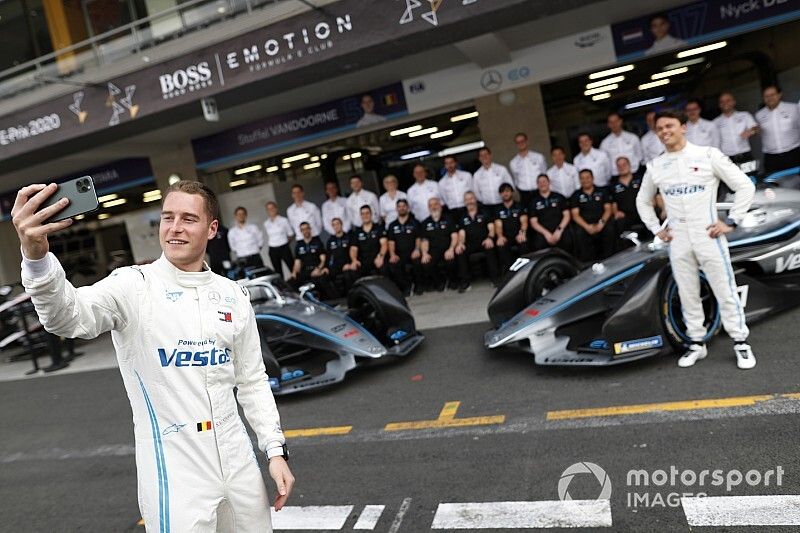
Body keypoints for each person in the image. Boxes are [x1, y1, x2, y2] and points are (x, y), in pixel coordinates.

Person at [14, 180, 294, 531]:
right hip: (175, 467)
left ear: (212, 229)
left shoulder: (233, 295)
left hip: (237, 457)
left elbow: (252, 380)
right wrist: (36, 257)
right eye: (168, 217)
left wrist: (275, 450)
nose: (175, 228)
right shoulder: (133, 285)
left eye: (188, 219)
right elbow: (66, 318)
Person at [636, 110, 756, 369]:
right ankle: (696, 343)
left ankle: (740, 342)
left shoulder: (707, 155)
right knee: (688, 293)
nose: (665, 131)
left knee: (724, 289)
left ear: (683, 127)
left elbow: (745, 185)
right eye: (660, 128)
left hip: (708, 235)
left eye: (669, 125)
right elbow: (642, 201)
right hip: (678, 239)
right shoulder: (656, 166)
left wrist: (731, 221)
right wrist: (656, 228)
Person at [570, 169, 616, 261]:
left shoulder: (602, 191)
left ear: (592, 178)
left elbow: (608, 209)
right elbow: (575, 215)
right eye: (582, 178)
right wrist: (587, 227)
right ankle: (588, 262)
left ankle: (610, 259)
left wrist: (601, 223)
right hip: (585, 224)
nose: (585, 180)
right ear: (579, 180)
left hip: (601, 221)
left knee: (610, 229)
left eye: (587, 178)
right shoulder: (576, 195)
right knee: (579, 233)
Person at [456, 191, 499, 289]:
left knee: (490, 247)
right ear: (464, 202)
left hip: (484, 240)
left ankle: (495, 279)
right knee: (460, 251)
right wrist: (460, 243)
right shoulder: (462, 216)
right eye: (467, 199)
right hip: (470, 243)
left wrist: (489, 238)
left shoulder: (484, 212)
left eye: (471, 198)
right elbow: (461, 233)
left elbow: (491, 228)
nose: (469, 201)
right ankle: (465, 283)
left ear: (475, 199)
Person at [755, 85, 800, 174]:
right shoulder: (759, 115)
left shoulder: (793, 108)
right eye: (766, 96)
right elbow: (758, 132)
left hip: (794, 153)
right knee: (775, 185)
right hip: (772, 158)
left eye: (772, 95)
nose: (769, 98)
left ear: (779, 95)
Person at [420, 197, 459, 292]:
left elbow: (454, 235)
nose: (433, 207)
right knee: (426, 263)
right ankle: (439, 282)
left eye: (435, 204)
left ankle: (453, 281)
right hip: (433, 250)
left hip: (447, 248)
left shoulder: (448, 219)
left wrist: (451, 249)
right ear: (428, 208)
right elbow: (424, 240)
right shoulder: (425, 223)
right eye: (431, 205)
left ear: (440, 206)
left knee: (451, 260)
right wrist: (424, 253)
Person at [387, 199, 422, 296]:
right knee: (394, 264)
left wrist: (417, 249)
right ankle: (407, 287)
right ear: (396, 209)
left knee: (417, 262)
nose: (401, 208)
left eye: (403, 206)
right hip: (399, 254)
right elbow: (391, 242)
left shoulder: (414, 222)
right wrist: (392, 254)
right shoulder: (392, 225)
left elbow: (418, 238)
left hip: (413, 252)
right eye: (399, 206)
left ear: (407, 208)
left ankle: (418, 285)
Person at [713, 91, 759, 166]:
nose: (725, 103)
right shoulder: (715, 122)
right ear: (719, 105)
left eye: (728, 100)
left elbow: (756, 129)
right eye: (722, 101)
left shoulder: (745, 115)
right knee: (730, 178)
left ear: (734, 102)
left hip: (746, 156)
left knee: (751, 177)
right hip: (727, 159)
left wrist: (751, 131)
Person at [529, 174, 572, 253]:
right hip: (543, 232)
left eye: (544, 181)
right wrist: (546, 234)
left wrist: (559, 230)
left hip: (560, 229)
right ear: (537, 185)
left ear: (549, 182)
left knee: (568, 241)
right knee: (538, 244)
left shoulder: (559, 197)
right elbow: (533, 222)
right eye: (540, 182)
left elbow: (567, 215)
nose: (542, 184)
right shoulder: (533, 201)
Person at [346, 205, 388, 285]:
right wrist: (354, 260)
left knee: (384, 268)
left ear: (371, 214)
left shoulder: (379, 228)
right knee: (353, 270)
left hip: (377, 258)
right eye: (363, 214)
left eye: (367, 213)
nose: (365, 216)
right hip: (363, 261)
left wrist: (381, 256)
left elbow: (384, 244)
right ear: (361, 216)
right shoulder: (357, 232)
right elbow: (353, 249)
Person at [290, 222, 334, 298]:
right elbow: (297, 263)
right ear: (301, 231)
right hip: (305, 271)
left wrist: (318, 269)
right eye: (303, 229)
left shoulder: (317, 242)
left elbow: (323, 260)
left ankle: (332, 301)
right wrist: (294, 272)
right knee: (291, 283)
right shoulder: (299, 246)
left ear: (310, 229)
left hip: (317, 269)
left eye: (307, 228)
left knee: (322, 280)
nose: (305, 231)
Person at [610, 157, 648, 242]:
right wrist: (616, 212)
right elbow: (613, 203)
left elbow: (649, 194)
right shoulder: (613, 185)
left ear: (630, 165)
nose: (622, 167)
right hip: (626, 216)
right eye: (619, 166)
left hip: (643, 211)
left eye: (624, 164)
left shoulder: (640, 179)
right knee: (617, 222)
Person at [494, 183, 529, 272]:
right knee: (501, 245)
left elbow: (524, 221)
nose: (505, 194)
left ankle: (525, 271)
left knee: (523, 242)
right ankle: (508, 273)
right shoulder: (498, 209)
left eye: (507, 191)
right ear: (500, 194)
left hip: (518, 234)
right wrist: (500, 236)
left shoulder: (519, 206)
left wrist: (522, 233)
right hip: (506, 236)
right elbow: (498, 225)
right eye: (502, 192)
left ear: (512, 192)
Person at [509, 132, 547, 207]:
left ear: (527, 141)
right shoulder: (513, 162)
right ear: (516, 144)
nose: (521, 143)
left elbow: (544, 173)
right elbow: (516, 179)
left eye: (522, 141)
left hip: (539, 191)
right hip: (524, 194)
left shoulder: (539, 157)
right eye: (518, 142)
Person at [601, 112, 644, 177]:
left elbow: (640, 156)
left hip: (634, 173)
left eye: (616, 121)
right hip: (616, 176)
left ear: (620, 121)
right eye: (611, 122)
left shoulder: (633, 138)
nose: (614, 124)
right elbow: (604, 163)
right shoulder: (605, 143)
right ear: (608, 125)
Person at [472, 146, 514, 213]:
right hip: (487, 207)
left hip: (503, 204)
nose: (484, 157)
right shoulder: (477, 175)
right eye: (481, 155)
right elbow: (476, 192)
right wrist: (484, 200)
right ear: (479, 158)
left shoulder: (501, 169)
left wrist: (506, 197)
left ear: (490, 155)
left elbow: (510, 185)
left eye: (486, 154)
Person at [263, 201, 295, 279]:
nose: (271, 210)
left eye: (272, 208)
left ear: (276, 209)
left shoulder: (283, 220)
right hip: (273, 249)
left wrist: (284, 243)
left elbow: (290, 234)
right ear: (267, 211)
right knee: (278, 272)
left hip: (284, 247)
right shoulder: (266, 223)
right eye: (268, 209)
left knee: (292, 267)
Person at [326, 217, 354, 294]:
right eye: (334, 225)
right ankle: (336, 299)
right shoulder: (330, 240)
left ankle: (351, 295)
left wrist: (351, 263)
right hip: (336, 266)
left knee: (348, 275)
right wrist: (326, 268)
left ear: (341, 225)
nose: (336, 226)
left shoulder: (349, 237)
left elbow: (354, 252)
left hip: (347, 264)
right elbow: (328, 256)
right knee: (324, 277)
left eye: (338, 224)